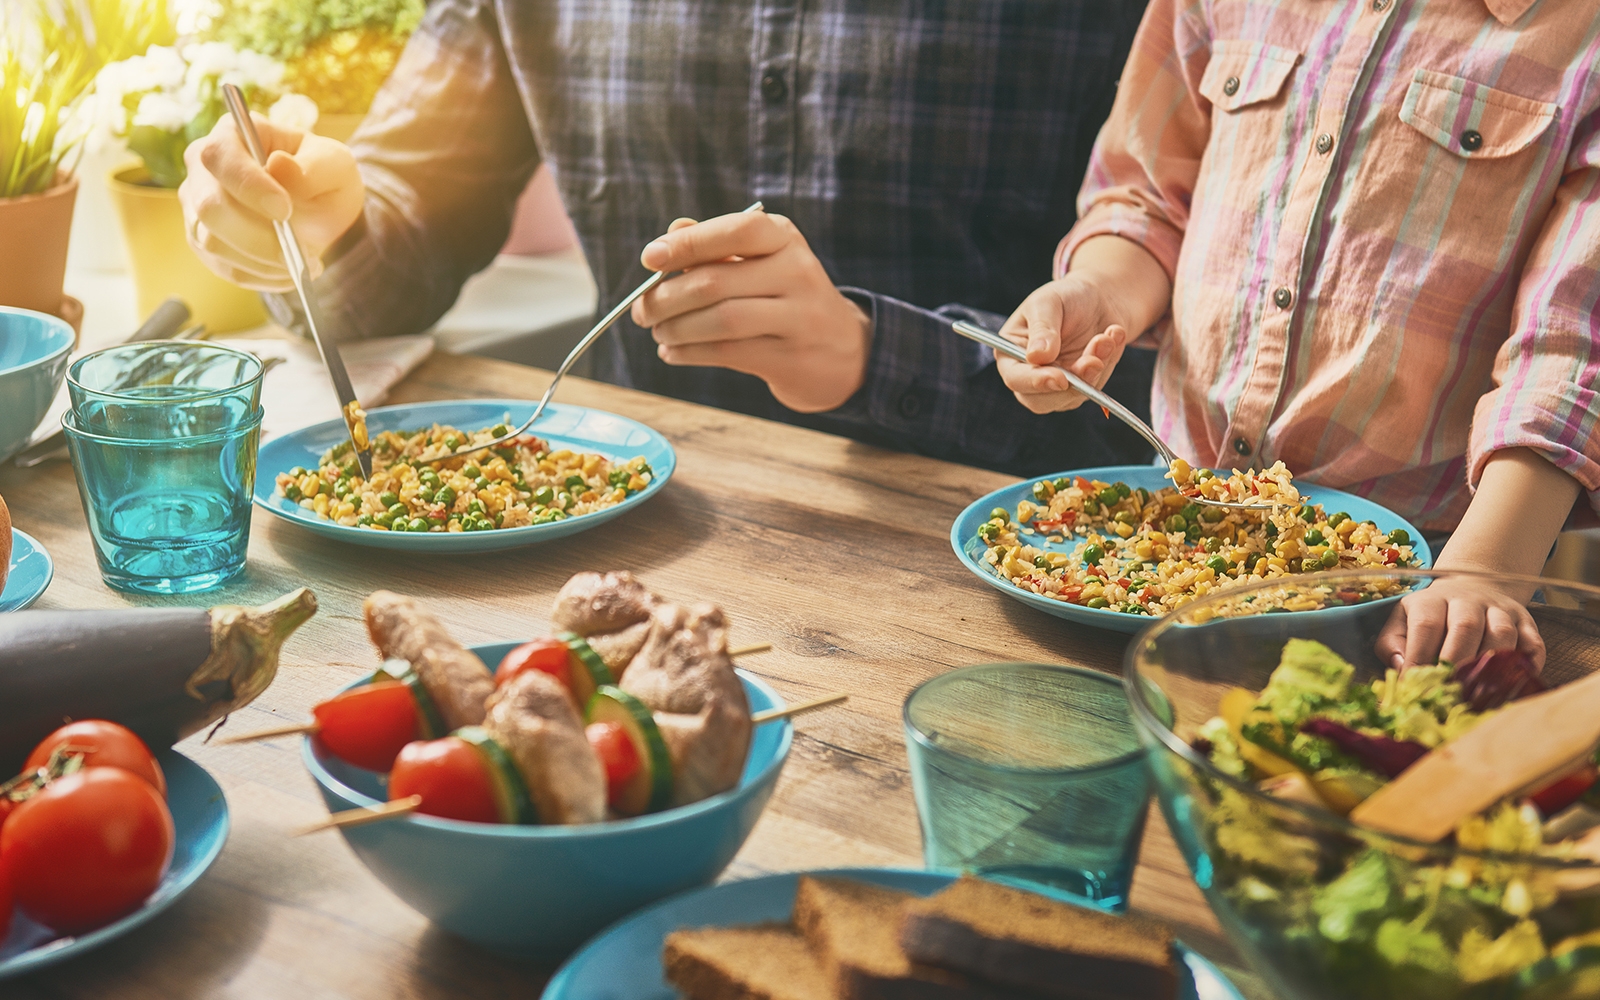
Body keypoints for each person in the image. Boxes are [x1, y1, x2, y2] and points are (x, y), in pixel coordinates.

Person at [178, 0, 1156, 476]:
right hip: (622, 540)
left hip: (1009, 579)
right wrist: (316, 228)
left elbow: (1180, 390)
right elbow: (396, 232)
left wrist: (871, 355)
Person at [992, 0, 1599, 669]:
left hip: (1425, 588)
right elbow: (1146, 199)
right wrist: (1098, 296)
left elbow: (1571, 350)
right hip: (1168, 543)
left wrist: (1485, 573)